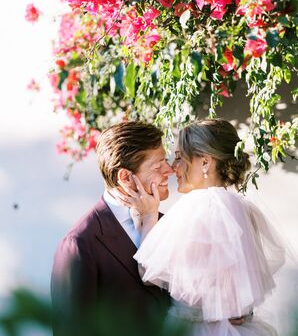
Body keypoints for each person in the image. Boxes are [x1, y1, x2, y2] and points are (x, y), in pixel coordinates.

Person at [119, 119, 286, 336]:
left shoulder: (196, 207)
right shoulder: (242, 208)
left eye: (179, 157)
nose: (173, 167)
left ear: (205, 162)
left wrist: (149, 216)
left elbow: (149, 274)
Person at [50, 121, 173, 336]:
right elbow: (70, 330)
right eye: (158, 165)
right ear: (125, 177)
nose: (169, 170)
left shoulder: (169, 224)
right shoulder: (79, 244)